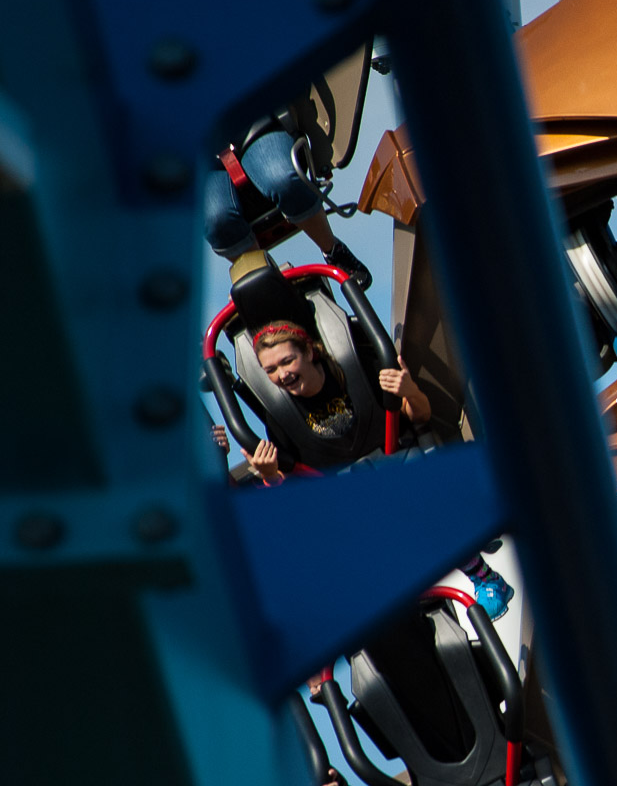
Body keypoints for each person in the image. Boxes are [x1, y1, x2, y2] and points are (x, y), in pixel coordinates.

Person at [248, 321, 514, 619]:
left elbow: (421, 415)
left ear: (309, 351)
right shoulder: (281, 418)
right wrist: (270, 476)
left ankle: (484, 574)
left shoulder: (358, 372)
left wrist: (410, 391)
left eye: (287, 361)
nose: (282, 374)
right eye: (270, 370)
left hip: (401, 462)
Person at [203, 114, 372, 290]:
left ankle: (333, 250)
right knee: (216, 219)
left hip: (250, 125)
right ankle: (267, 286)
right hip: (202, 151)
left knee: (281, 179)